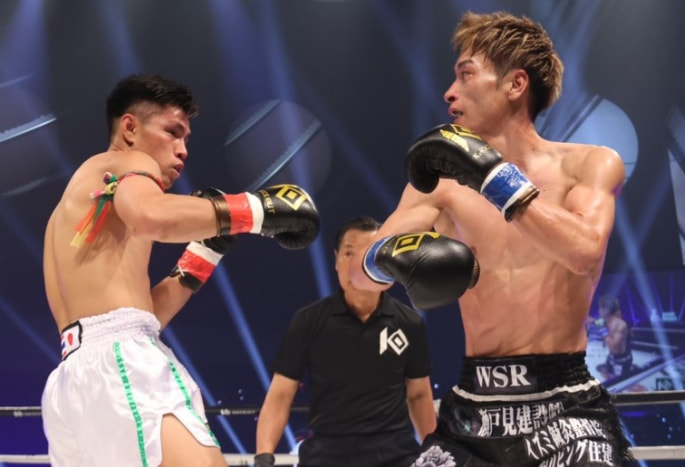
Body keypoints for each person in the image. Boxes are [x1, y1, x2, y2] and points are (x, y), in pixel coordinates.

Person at [353, 11, 636, 466]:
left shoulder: (589, 164)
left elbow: (584, 251)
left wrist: (493, 177)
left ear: (515, 84)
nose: (449, 92)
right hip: (472, 414)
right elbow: (362, 275)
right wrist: (387, 261)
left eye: (466, 74)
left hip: (565, 409)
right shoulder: (440, 185)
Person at [41, 73, 319, 467]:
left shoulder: (74, 204)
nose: (183, 149)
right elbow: (151, 217)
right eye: (172, 132)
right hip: (120, 365)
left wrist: (201, 257)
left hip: (73, 382)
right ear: (130, 128)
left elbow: (136, 318)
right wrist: (259, 211)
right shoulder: (128, 162)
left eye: (186, 138)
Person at [254, 216, 437, 467]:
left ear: (386, 262)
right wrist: (263, 456)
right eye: (349, 254)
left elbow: (419, 395)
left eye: (368, 255)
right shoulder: (308, 321)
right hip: (327, 455)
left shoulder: (409, 322)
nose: (358, 265)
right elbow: (280, 395)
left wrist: (432, 453)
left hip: (394, 455)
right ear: (336, 260)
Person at [594, 295, 634, 379]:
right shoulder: (607, 321)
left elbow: (613, 346)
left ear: (605, 310)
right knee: (606, 376)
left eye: (600, 308)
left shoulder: (620, 324)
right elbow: (594, 321)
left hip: (621, 361)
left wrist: (603, 331)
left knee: (621, 384)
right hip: (612, 357)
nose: (599, 310)